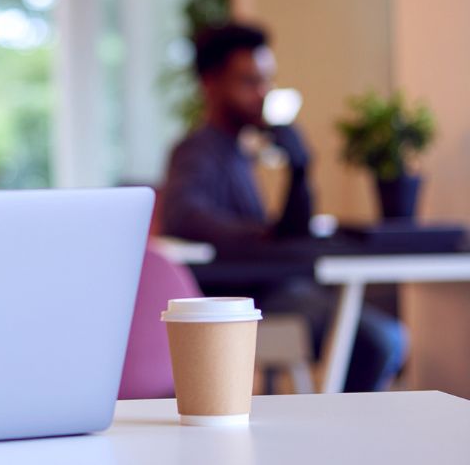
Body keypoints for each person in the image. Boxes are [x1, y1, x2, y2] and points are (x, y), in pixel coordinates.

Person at [160, 22, 406, 392]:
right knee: (378, 341)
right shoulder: (197, 151)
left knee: (384, 335)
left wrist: (300, 170)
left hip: (279, 287)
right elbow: (183, 214)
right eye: (249, 82)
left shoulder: (238, 153)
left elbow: (291, 230)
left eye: (267, 81)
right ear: (210, 84)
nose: (263, 93)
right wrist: (260, 236)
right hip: (249, 298)